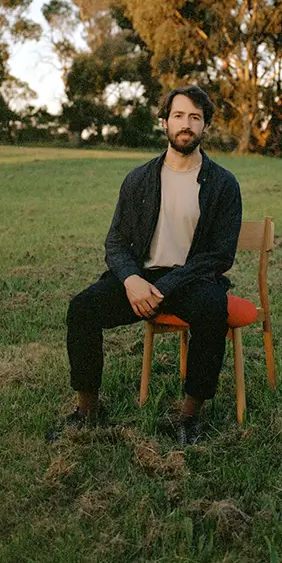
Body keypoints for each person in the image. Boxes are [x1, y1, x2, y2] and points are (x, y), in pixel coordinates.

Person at [62, 84, 242, 445]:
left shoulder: (223, 184)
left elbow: (221, 255)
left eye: (195, 117)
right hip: (141, 279)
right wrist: (130, 279)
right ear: (164, 122)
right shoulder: (139, 179)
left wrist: (169, 285)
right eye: (178, 116)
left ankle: (189, 416)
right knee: (82, 308)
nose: (186, 124)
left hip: (190, 280)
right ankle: (87, 411)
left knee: (212, 311)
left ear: (205, 126)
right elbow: (115, 242)